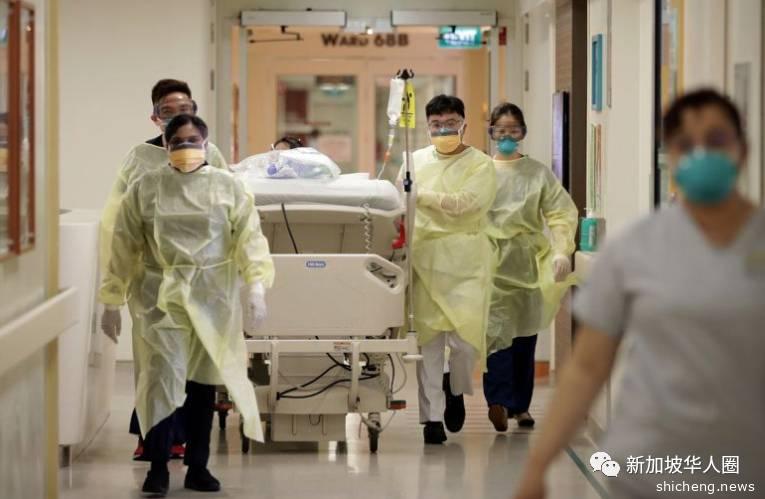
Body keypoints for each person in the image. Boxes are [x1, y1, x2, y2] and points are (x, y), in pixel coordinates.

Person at [514, 89, 765, 499]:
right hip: (650, 466)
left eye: (716, 140)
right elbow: (587, 367)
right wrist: (538, 465)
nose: (702, 154)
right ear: (670, 157)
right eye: (686, 144)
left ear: (744, 150)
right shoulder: (636, 248)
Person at [99, 114, 274, 496]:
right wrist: (111, 299)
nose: (185, 148)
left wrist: (257, 286)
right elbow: (124, 246)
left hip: (213, 300)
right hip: (160, 299)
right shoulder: (146, 188)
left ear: (206, 145)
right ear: (165, 146)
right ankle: (157, 468)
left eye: (192, 141)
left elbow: (249, 239)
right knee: (161, 381)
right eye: (177, 142)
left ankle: (199, 466)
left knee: (202, 386)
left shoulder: (228, 187)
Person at [99, 79, 229, 461]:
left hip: (202, 281)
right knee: (155, 365)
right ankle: (154, 438)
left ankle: (187, 444)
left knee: (195, 367)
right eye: (168, 111)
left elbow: (231, 213)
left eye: (184, 108)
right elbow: (118, 225)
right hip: (152, 283)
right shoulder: (140, 160)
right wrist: (113, 293)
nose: (177, 117)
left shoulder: (211, 154)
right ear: (155, 118)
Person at [407, 95, 497, 444]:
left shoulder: (481, 164)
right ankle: (431, 419)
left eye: (450, 123)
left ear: (464, 124)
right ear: (427, 127)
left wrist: (422, 196)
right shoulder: (413, 161)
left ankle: (454, 387)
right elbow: (401, 204)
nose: (443, 130)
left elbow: (466, 205)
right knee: (428, 344)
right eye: (436, 124)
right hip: (425, 258)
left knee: (465, 345)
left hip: (466, 263)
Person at [483, 103, 578, 432]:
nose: (507, 136)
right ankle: (498, 402)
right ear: (491, 132)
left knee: (524, 337)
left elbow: (560, 212)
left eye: (513, 130)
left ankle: (520, 407)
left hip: (527, 264)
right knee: (495, 336)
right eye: (501, 130)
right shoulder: (481, 172)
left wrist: (562, 251)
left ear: (523, 132)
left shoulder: (537, 173)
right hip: (491, 263)